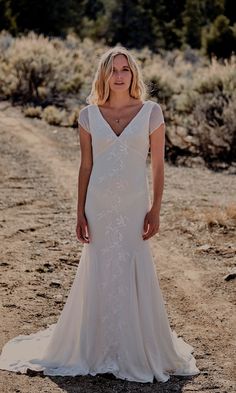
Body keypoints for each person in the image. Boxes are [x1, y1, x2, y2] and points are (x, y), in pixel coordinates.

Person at [0, 46, 200, 383]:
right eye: (114, 70)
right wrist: (79, 212)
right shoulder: (88, 115)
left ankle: (135, 346)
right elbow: (86, 166)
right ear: (104, 75)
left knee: (133, 263)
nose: (120, 75)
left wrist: (156, 209)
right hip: (99, 206)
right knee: (101, 266)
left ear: (133, 74)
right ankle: (96, 346)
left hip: (135, 205)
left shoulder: (151, 112)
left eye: (126, 69)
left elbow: (158, 166)